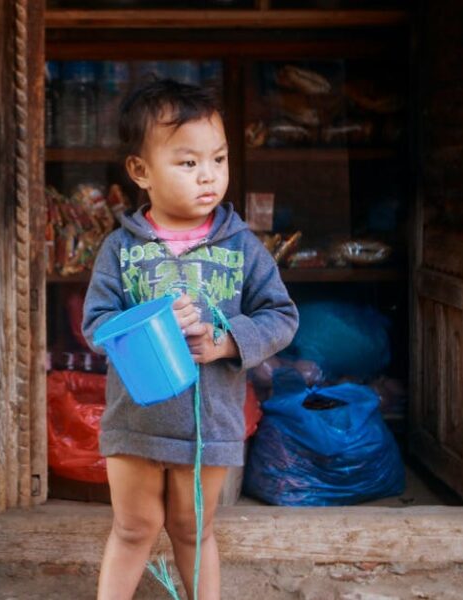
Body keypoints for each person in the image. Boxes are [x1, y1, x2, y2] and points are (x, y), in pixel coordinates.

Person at [82, 79, 299, 600]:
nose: (209, 176)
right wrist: (149, 320)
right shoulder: (121, 249)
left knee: (192, 529)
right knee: (133, 528)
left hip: (210, 422)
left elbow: (281, 315)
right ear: (141, 172)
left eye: (219, 159)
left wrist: (225, 341)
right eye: (188, 163)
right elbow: (97, 324)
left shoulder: (242, 248)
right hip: (135, 421)